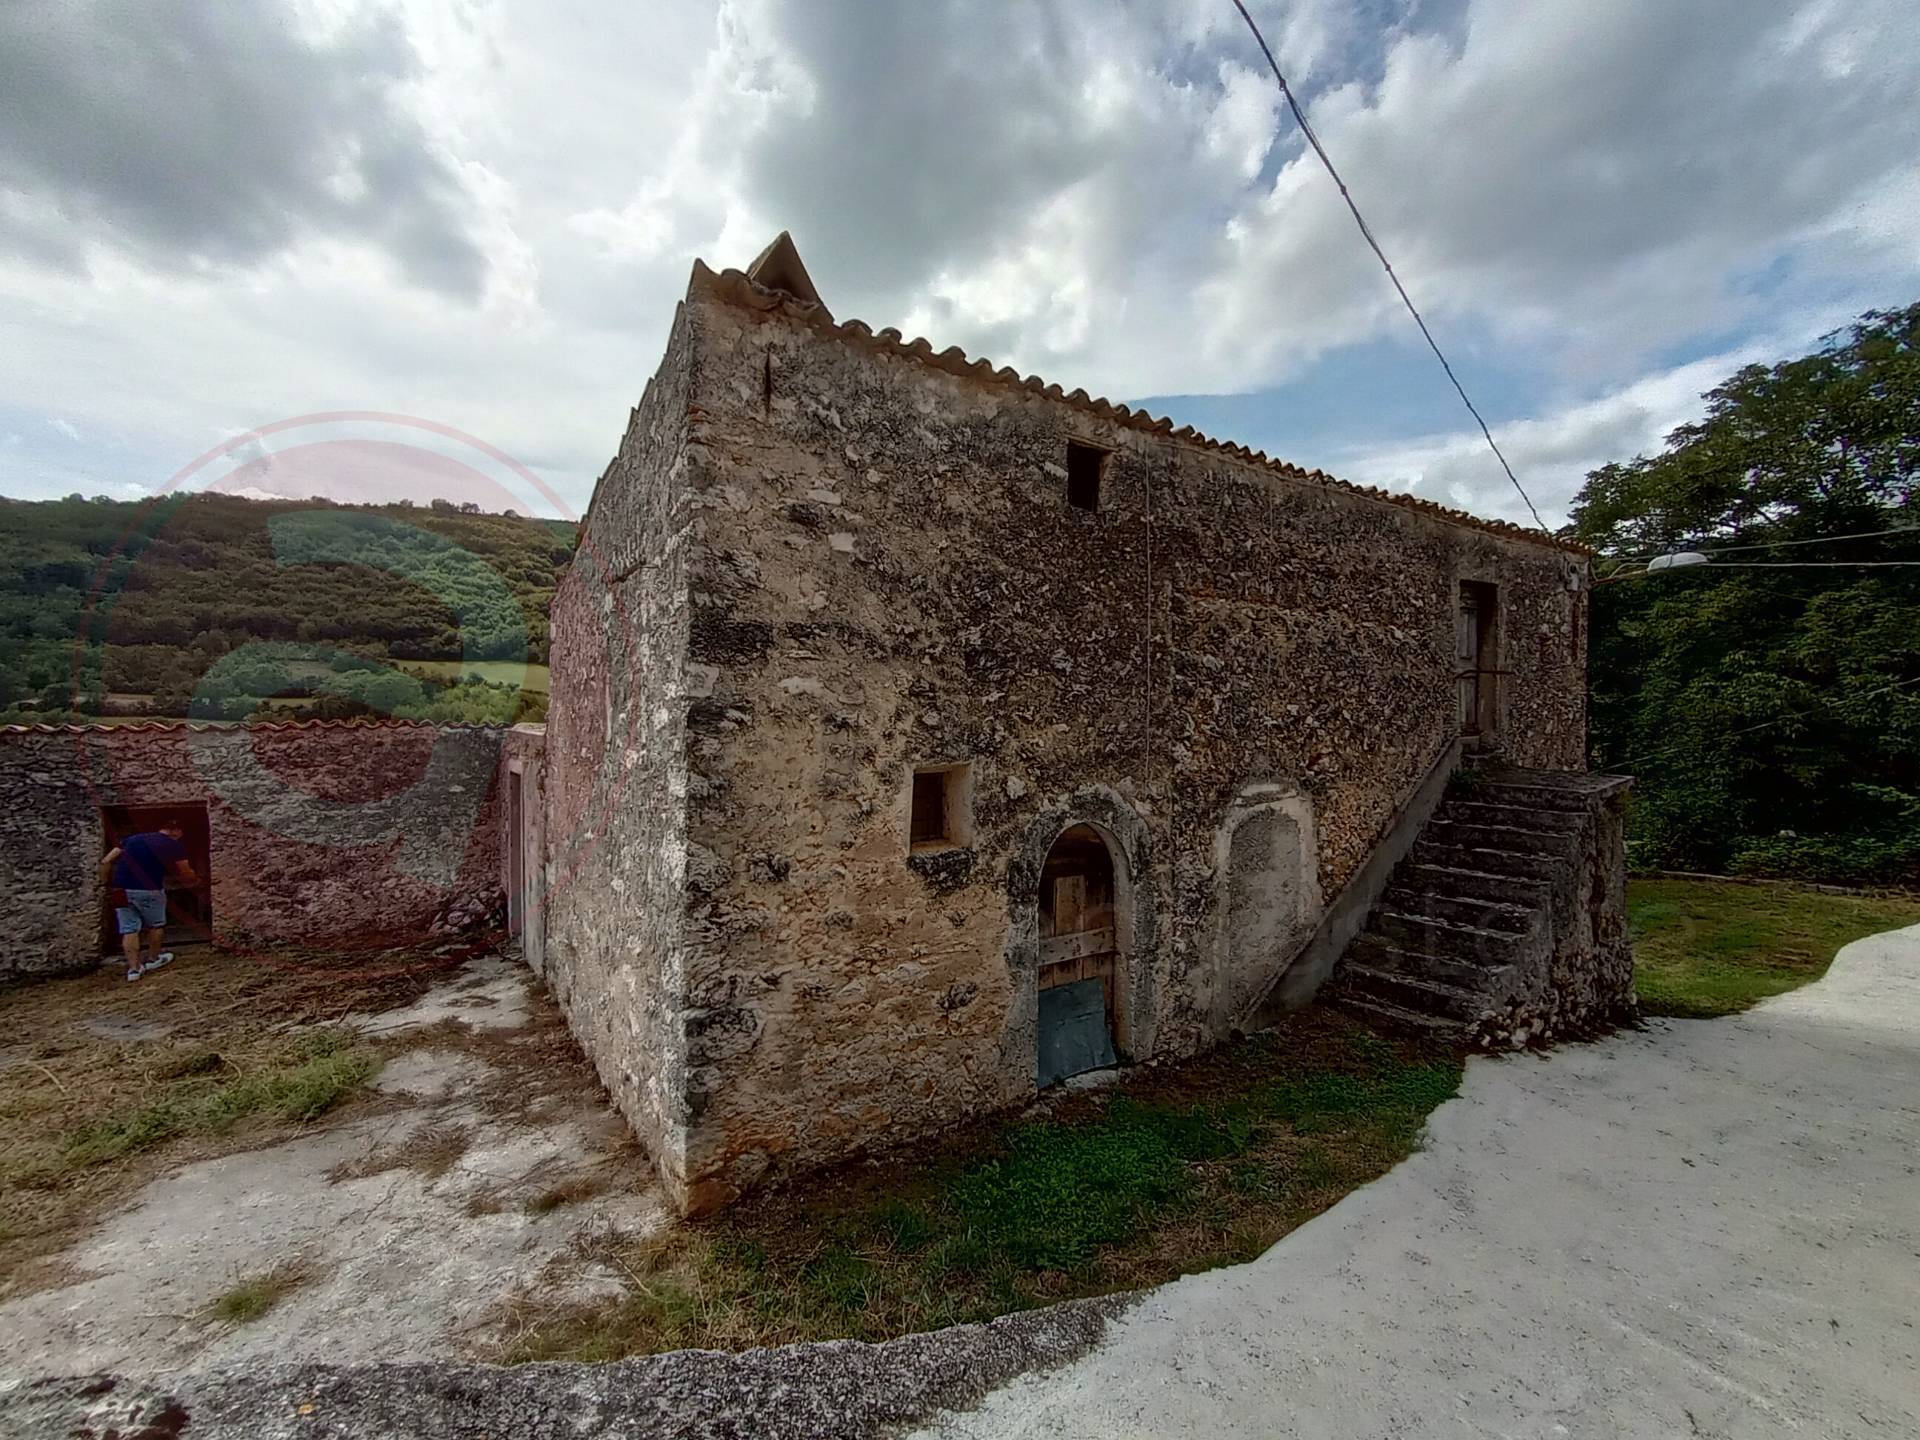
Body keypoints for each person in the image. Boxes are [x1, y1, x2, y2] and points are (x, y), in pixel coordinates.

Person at [100, 821, 198, 982]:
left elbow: (106, 861)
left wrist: (105, 883)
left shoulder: (132, 839)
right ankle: (154, 959)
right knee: (156, 925)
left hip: (121, 889)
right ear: (177, 831)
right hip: (149, 889)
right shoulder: (174, 845)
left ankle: (134, 969)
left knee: (129, 929)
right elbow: (185, 872)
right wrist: (195, 880)